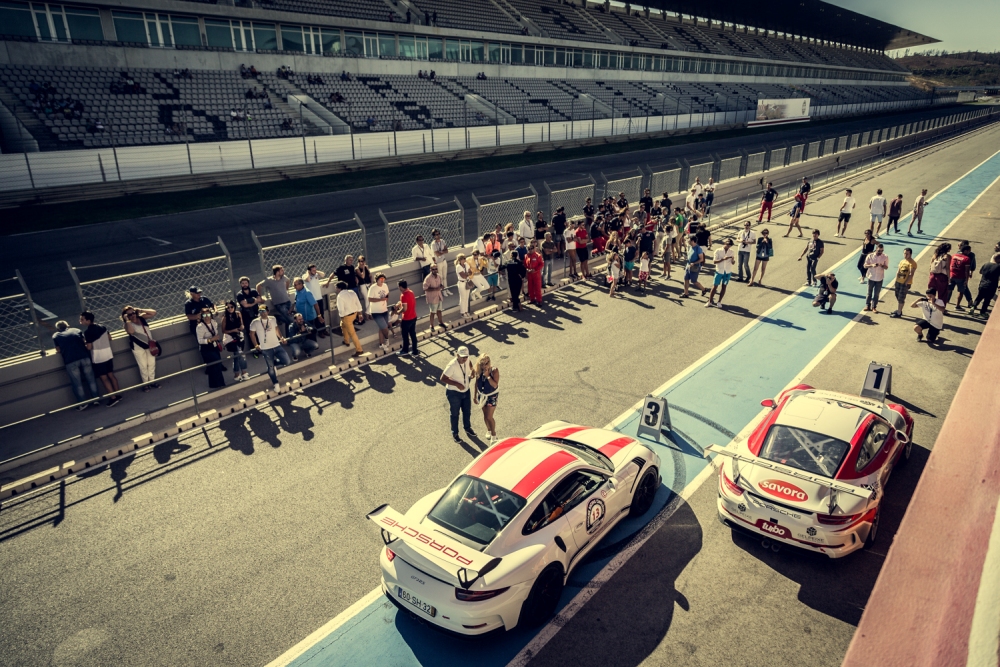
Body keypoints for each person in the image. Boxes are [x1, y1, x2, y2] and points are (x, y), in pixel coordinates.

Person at [53, 320, 101, 409]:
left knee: (77, 383)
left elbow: (58, 350)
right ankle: (96, 399)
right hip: (84, 357)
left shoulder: (56, 336)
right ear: (68, 326)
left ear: (57, 329)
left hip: (70, 360)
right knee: (91, 379)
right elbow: (84, 341)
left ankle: (83, 403)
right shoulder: (76, 330)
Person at [80, 311, 122, 406]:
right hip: (108, 354)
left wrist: (84, 345)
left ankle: (113, 398)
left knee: (104, 378)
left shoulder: (87, 332)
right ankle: (118, 394)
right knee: (111, 375)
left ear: (88, 320)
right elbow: (110, 338)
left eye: (82, 319)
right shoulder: (103, 327)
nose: (80, 321)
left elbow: (89, 347)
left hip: (98, 357)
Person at [250, 305, 290, 390]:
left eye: (264, 311)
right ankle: (275, 383)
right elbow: (252, 334)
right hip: (266, 349)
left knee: (287, 361)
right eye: (260, 311)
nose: (262, 313)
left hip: (276, 345)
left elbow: (276, 329)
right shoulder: (255, 322)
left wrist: (281, 338)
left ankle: (274, 363)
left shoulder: (273, 319)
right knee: (271, 369)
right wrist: (256, 345)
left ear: (268, 311)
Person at [441, 345, 475, 442]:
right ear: (457, 355)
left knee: (467, 411)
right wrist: (457, 384)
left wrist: (472, 371)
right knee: (455, 414)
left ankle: (467, 428)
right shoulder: (452, 365)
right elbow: (443, 378)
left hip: (466, 391)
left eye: (466, 356)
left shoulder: (467, 360)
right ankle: (455, 433)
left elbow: (470, 364)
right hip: (454, 393)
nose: (464, 359)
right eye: (462, 357)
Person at [122, 306, 159, 389]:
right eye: (129, 315)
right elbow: (131, 331)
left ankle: (152, 381)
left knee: (151, 364)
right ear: (126, 316)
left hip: (149, 345)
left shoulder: (141, 318)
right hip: (138, 347)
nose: (132, 315)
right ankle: (145, 384)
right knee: (143, 366)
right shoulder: (127, 324)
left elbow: (154, 312)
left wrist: (140, 310)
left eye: (133, 313)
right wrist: (127, 320)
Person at [330, 255, 364, 326]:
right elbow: (333, 274)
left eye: (352, 260)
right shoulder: (341, 268)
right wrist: (328, 282)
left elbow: (353, 274)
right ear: (346, 260)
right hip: (346, 289)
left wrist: (356, 278)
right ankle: (350, 320)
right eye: (350, 260)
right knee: (347, 305)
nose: (351, 261)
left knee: (356, 302)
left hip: (354, 287)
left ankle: (358, 318)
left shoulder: (352, 267)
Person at [474, 354, 501, 444]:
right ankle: (488, 430)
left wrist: (488, 376)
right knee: (485, 416)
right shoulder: (478, 370)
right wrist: (474, 395)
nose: (484, 366)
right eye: (482, 364)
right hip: (481, 395)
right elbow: (476, 383)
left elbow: (495, 385)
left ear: (489, 362)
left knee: (489, 416)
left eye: (486, 363)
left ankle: (494, 435)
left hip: (491, 395)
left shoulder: (494, 370)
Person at [257, 266, 292, 334]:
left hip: (287, 301)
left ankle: (289, 337)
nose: (283, 271)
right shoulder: (269, 280)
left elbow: (288, 281)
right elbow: (258, 286)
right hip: (279, 304)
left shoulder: (284, 277)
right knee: (290, 320)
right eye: (281, 270)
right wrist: (260, 297)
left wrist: (287, 290)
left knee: (288, 320)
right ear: (277, 272)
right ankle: (278, 318)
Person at [195, 310, 226, 389]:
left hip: (214, 345)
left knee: (217, 364)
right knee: (214, 365)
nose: (207, 317)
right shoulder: (200, 327)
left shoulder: (214, 322)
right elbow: (200, 341)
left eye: (208, 315)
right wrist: (211, 339)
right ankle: (216, 384)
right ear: (202, 317)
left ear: (211, 315)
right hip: (206, 348)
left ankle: (218, 383)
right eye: (204, 315)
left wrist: (215, 339)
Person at [334, 281, 364, 357]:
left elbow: (341, 309)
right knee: (342, 325)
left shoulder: (340, 296)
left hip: (346, 316)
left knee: (352, 334)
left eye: (336, 288)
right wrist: (360, 314)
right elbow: (358, 303)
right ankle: (346, 341)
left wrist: (342, 317)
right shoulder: (352, 292)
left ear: (339, 288)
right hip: (354, 314)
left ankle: (359, 350)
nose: (336, 289)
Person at [222, 301, 248, 381]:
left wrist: (241, 327)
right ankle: (244, 372)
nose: (230, 309)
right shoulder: (225, 317)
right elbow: (223, 330)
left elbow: (242, 324)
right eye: (228, 307)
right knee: (241, 354)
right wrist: (233, 330)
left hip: (239, 337)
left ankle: (236, 374)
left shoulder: (238, 314)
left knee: (237, 356)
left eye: (231, 307)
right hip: (230, 338)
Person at [889, 248, 918, 319]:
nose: (905, 255)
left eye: (907, 254)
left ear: (910, 254)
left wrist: (906, 282)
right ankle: (899, 309)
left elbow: (911, 274)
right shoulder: (902, 261)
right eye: (904, 253)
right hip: (898, 281)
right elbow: (898, 271)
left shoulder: (912, 263)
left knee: (901, 297)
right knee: (897, 295)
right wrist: (896, 280)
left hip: (904, 283)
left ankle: (899, 312)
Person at [706, 238, 734, 308]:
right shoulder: (718, 251)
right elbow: (714, 261)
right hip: (719, 271)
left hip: (727, 272)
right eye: (727, 245)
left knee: (724, 287)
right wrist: (723, 259)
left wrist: (733, 261)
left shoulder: (732, 251)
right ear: (725, 243)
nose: (728, 246)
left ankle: (719, 302)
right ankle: (710, 301)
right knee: (714, 287)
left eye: (730, 245)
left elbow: (733, 263)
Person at [235, 277, 262, 350]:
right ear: (240, 284)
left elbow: (259, 299)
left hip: (256, 314)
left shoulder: (253, 291)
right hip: (246, 316)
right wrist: (254, 301)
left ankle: (262, 347)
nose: (244, 285)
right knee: (250, 333)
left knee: (259, 330)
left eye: (246, 283)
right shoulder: (240, 294)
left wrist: (249, 302)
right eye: (243, 283)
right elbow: (245, 305)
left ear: (248, 283)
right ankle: (254, 350)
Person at [367, 273, 391, 351]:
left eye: (383, 279)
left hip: (384, 310)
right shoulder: (373, 288)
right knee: (385, 328)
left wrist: (386, 300)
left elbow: (387, 294)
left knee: (382, 328)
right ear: (377, 280)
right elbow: (370, 299)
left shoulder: (385, 285)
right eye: (381, 279)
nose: (382, 281)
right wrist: (380, 300)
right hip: (376, 312)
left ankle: (381, 344)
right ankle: (387, 338)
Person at [972, 253, 1000, 318]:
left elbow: (980, 272)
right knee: (987, 300)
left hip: (982, 284)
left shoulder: (986, 264)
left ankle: (972, 308)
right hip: (991, 286)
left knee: (979, 297)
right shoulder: (998, 267)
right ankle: (982, 312)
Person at [863, 243, 889, 314]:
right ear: (876, 249)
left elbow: (886, 267)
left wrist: (882, 265)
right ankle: (867, 305)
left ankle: (874, 307)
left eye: (882, 251)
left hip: (879, 278)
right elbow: (865, 266)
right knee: (869, 293)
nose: (880, 252)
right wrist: (872, 265)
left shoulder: (885, 257)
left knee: (876, 294)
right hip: (871, 277)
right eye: (879, 250)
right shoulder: (870, 256)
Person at [947, 244, 974, 311]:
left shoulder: (954, 255)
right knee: (961, 291)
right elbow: (966, 271)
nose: (969, 252)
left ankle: (944, 304)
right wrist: (966, 280)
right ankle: (957, 306)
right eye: (969, 251)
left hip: (951, 275)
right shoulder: (966, 258)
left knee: (949, 290)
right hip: (961, 277)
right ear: (965, 251)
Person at [423, 263, 445, 331]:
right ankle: (431, 325)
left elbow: (440, 285)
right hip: (432, 298)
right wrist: (435, 289)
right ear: (430, 270)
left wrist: (442, 286)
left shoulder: (439, 276)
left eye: (436, 269)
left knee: (439, 311)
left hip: (439, 296)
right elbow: (425, 288)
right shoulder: (428, 278)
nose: (435, 270)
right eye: (433, 269)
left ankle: (440, 322)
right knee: (432, 312)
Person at [430, 229, 452, 297]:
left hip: (444, 261)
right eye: (436, 234)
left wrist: (441, 252)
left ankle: (446, 289)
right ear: (434, 236)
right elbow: (437, 254)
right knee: (441, 277)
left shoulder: (442, 241)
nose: (438, 235)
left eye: (439, 234)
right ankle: (443, 291)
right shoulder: (433, 244)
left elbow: (447, 251)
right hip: (438, 262)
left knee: (445, 276)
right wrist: (442, 252)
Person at [505, 246, 525, 312]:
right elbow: (523, 271)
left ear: (511, 255)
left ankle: (515, 307)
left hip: (511, 280)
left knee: (513, 293)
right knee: (517, 293)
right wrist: (522, 276)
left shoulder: (508, 262)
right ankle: (518, 305)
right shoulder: (519, 262)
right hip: (518, 279)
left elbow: (501, 267)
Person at [525, 241, 544, 305]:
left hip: (536, 274)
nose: (530, 250)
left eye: (531, 248)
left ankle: (539, 300)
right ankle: (532, 299)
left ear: (534, 248)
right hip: (529, 274)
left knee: (537, 287)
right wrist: (527, 269)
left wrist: (535, 269)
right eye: (529, 249)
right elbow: (525, 265)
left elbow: (541, 264)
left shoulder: (538, 256)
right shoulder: (526, 256)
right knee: (530, 287)